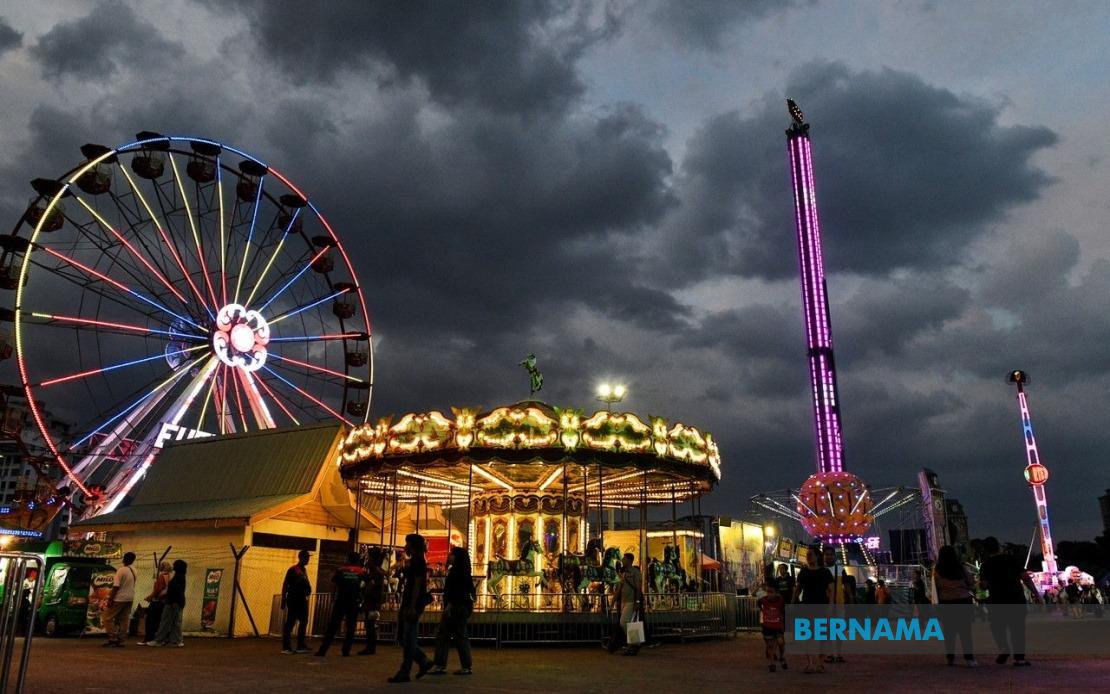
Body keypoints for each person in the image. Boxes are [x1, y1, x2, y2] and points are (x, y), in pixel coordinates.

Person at [979, 536, 1036, 667]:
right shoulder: (1012, 560)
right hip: (1016, 598)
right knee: (1018, 628)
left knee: (997, 627)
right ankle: (1019, 658)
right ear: (999, 547)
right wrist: (1037, 595)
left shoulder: (986, 564)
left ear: (986, 550)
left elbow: (984, 585)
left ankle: (1003, 647)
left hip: (997, 599)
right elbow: (1025, 578)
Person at [388, 533, 435, 683]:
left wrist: (412, 606)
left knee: (408, 637)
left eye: (407, 543)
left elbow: (416, 584)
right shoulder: (416, 560)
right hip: (410, 601)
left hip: (412, 603)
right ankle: (423, 661)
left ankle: (405, 670)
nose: (405, 546)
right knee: (405, 637)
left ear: (413, 545)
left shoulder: (418, 561)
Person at [430, 547, 476, 675]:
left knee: (445, 635)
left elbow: (455, 591)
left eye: (451, 554)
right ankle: (465, 665)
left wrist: (449, 606)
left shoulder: (456, 572)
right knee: (459, 635)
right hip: (461, 607)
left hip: (455, 607)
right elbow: (470, 590)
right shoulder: (464, 572)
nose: (449, 555)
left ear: (457, 557)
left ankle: (441, 664)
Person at [316, 552, 367, 657]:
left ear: (348, 559)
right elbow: (369, 583)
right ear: (358, 560)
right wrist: (362, 596)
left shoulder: (341, 570)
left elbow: (333, 584)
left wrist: (332, 596)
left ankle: (323, 650)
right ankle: (346, 651)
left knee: (333, 625)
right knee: (351, 627)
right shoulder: (361, 571)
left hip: (341, 600)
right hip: (353, 602)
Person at [934, 545, 977, 667]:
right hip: (963, 601)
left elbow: (936, 586)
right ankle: (969, 659)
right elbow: (971, 583)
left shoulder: (937, 570)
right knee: (965, 631)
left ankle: (950, 658)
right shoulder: (961, 568)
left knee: (949, 632)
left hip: (946, 602)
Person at [792, 549, 833, 673]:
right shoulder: (803, 572)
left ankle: (820, 663)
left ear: (817, 557)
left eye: (810, 555)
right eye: (807, 555)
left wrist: (831, 605)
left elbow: (831, 590)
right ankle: (810, 663)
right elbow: (798, 589)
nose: (808, 557)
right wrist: (792, 602)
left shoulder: (825, 572)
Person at [607, 553, 644, 656]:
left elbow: (638, 588)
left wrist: (637, 601)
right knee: (626, 622)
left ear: (629, 560)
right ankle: (633, 643)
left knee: (624, 622)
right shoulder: (624, 574)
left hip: (630, 601)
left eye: (624, 559)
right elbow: (619, 589)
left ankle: (634, 642)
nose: (622, 560)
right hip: (624, 601)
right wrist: (613, 601)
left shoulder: (635, 573)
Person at [101, 552, 137, 647]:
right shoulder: (134, 570)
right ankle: (121, 639)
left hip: (119, 598)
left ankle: (113, 637)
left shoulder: (121, 570)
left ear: (124, 559)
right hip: (130, 597)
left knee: (106, 618)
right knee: (123, 619)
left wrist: (110, 598)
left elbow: (116, 586)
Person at [148, 560, 187, 647]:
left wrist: (171, 601)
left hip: (172, 602)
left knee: (165, 622)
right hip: (179, 602)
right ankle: (177, 640)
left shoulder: (177, 578)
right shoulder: (181, 576)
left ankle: (159, 640)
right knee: (176, 622)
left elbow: (174, 591)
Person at [281, 550, 313, 655]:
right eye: (306, 557)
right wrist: (283, 599)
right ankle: (286, 647)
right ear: (301, 557)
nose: (308, 559)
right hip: (294, 599)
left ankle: (301, 645)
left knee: (303, 621)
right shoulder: (293, 570)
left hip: (302, 599)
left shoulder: (303, 570)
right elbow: (285, 584)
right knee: (291, 622)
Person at [358, 547, 387, 656]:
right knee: (370, 625)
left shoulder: (375, 571)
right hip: (374, 601)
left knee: (369, 625)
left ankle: (370, 647)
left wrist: (364, 594)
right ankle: (370, 647)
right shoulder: (378, 571)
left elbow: (371, 585)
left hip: (372, 601)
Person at [139, 562, 171, 645]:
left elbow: (158, 589)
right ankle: (161, 638)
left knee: (150, 620)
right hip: (164, 601)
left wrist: (150, 597)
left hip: (157, 601)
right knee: (159, 620)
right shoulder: (169, 577)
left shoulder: (161, 577)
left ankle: (148, 638)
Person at [758, 580, 786, 672]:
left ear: (776, 592)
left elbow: (783, 610)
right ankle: (771, 663)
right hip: (767, 626)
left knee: (780, 642)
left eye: (771, 592)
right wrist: (763, 612)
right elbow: (759, 604)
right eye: (767, 592)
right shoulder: (763, 600)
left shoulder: (781, 600)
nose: (769, 594)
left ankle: (782, 656)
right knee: (770, 645)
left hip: (778, 626)